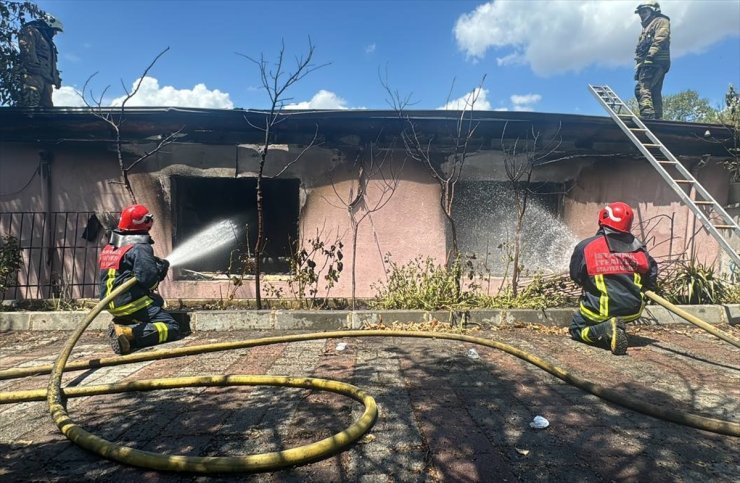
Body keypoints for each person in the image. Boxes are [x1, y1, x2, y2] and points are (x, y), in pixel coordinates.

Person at [569, 202, 658, 355]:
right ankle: (613, 326)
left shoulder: (586, 246)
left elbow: (576, 276)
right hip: (633, 311)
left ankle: (606, 328)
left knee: (576, 328)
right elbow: (651, 278)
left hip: (600, 311)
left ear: (603, 218)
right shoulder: (639, 248)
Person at [98, 204, 182, 355]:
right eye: (148, 218)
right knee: (171, 327)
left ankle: (122, 323)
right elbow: (148, 280)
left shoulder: (111, 246)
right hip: (130, 303)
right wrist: (159, 270)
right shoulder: (140, 247)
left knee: (156, 301)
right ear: (144, 222)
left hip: (110, 303)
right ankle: (129, 333)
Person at [633, 0, 671, 120]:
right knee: (654, 90)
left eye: (644, 11)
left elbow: (661, 37)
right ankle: (657, 117)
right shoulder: (646, 28)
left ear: (653, 11)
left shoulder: (660, 21)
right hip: (648, 62)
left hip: (655, 61)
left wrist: (651, 55)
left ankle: (648, 114)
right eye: (640, 13)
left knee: (642, 88)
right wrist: (639, 67)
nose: (642, 15)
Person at [17, 13, 63, 108]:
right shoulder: (31, 31)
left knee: (47, 111)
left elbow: (51, 63)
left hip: (47, 79)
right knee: (30, 104)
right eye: (55, 30)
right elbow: (27, 49)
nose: (55, 33)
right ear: (48, 25)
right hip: (34, 76)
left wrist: (56, 78)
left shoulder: (48, 43)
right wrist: (33, 66)